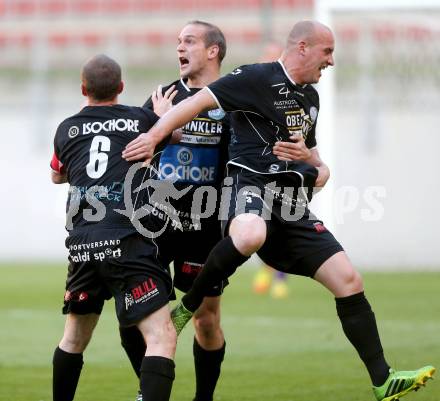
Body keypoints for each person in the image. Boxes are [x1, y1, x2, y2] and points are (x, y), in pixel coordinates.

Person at [122, 21, 436, 401]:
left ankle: (383, 381)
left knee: (349, 280)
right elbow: (194, 103)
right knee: (250, 234)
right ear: (303, 47)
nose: (332, 61)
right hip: (248, 189)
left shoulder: (311, 100)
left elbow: (319, 171)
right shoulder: (254, 77)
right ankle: (186, 307)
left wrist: (311, 162)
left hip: (289, 206)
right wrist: (154, 135)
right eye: (327, 52)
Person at [119, 20, 303, 401]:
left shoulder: (237, 98)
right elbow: (135, 152)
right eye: (177, 42)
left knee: (206, 321)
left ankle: (204, 398)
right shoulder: (164, 97)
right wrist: (158, 126)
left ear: (212, 50)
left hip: (206, 227)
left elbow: (254, 153)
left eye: (188, 41)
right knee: (136, 314)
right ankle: (149, 388)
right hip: (158, 222)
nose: (179, 48)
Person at [50, 54, 177, 401]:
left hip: (82, 244)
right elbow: (173, 134)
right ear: (121, 88)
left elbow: (57, 174)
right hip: (126, 238)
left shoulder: (66, 127)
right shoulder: (140, 119)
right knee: (162, 336)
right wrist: (163, 117)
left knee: (74, 338)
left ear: (83, 89)